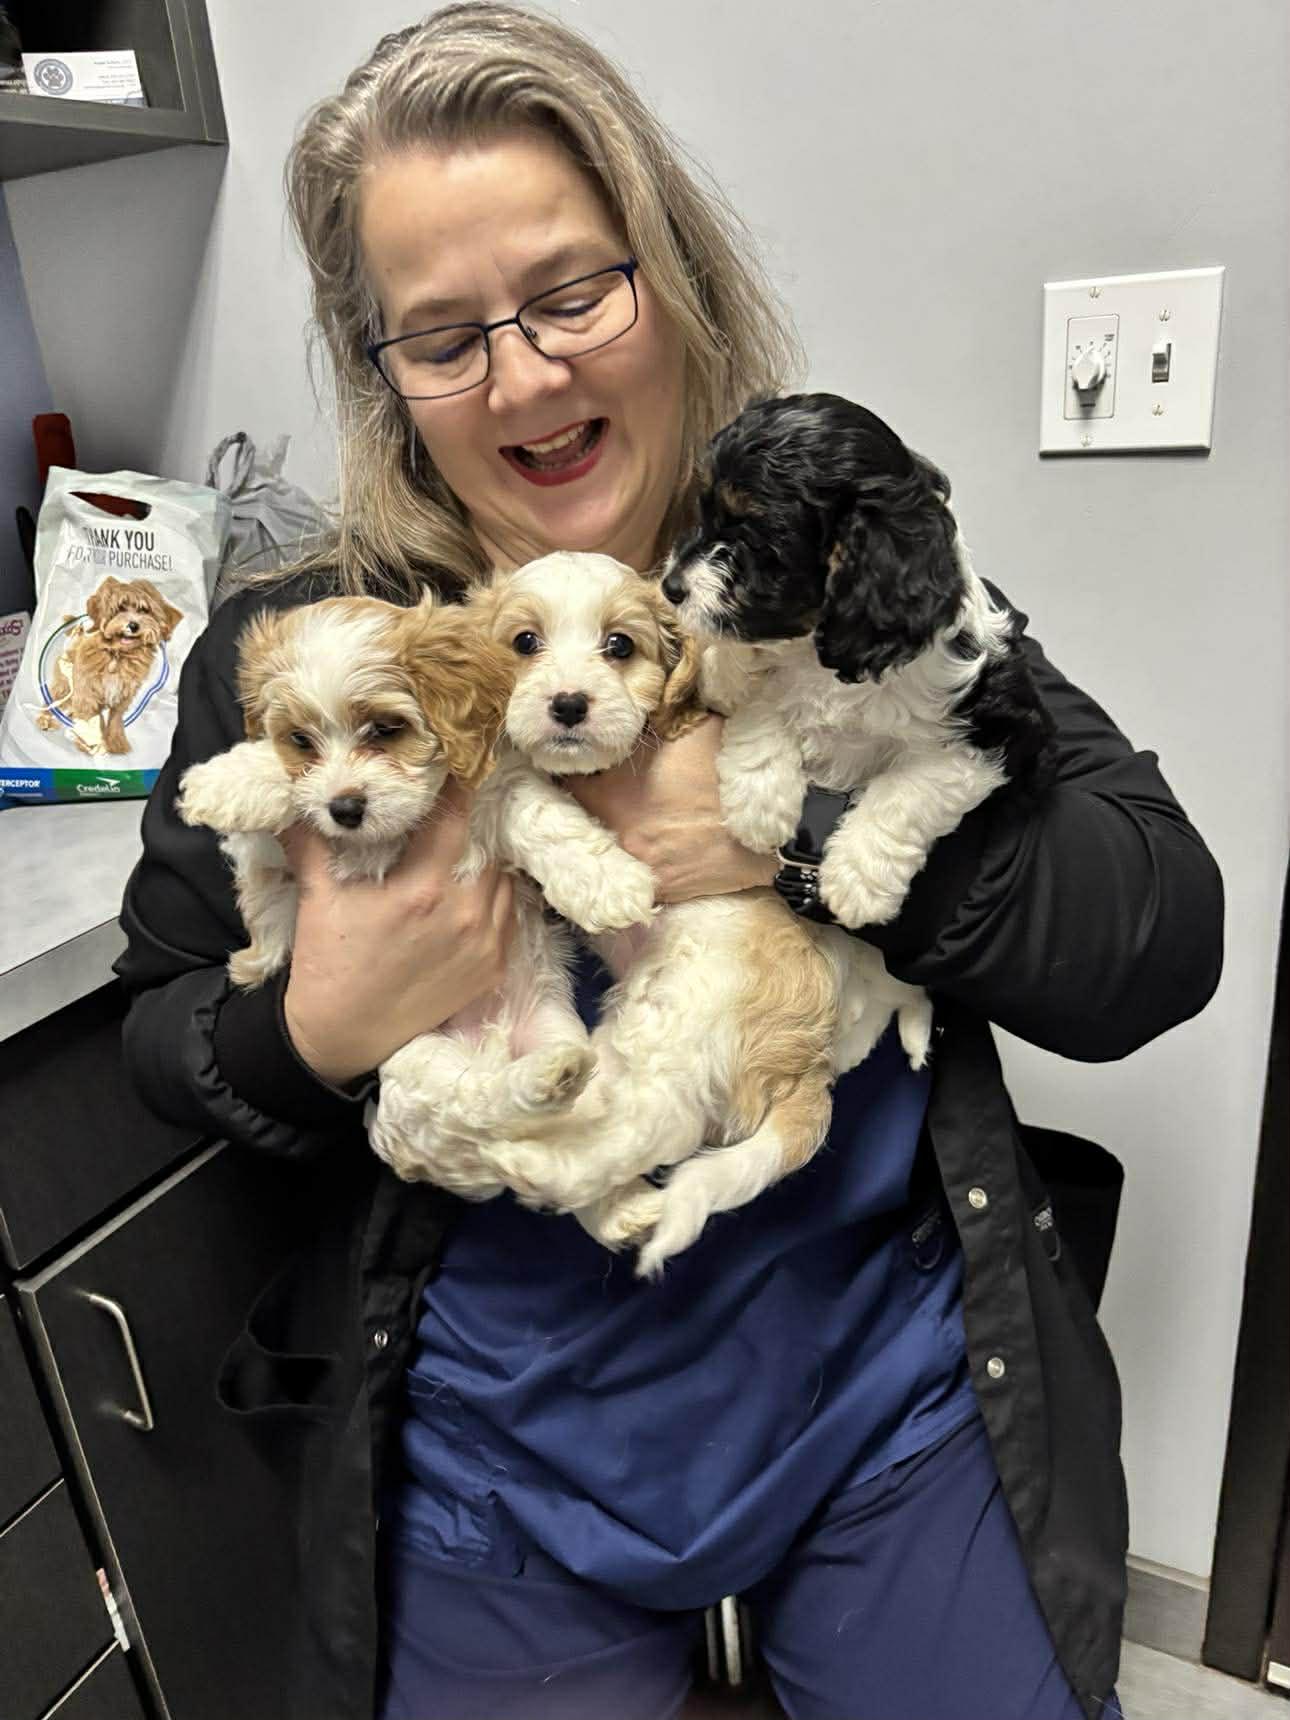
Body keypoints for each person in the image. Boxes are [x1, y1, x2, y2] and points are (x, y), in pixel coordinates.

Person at [114, 7, 1224, 1719]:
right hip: (505, 1424)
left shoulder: (836, 568)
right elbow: (160, 1033)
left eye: (571, 295)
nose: (528, 376)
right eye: (441, 334)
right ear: (381, 373)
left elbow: (1158, 929)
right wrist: (314, 1027)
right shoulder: (314, 645)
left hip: (889, 1381)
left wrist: (801, 840)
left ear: (672, 279)